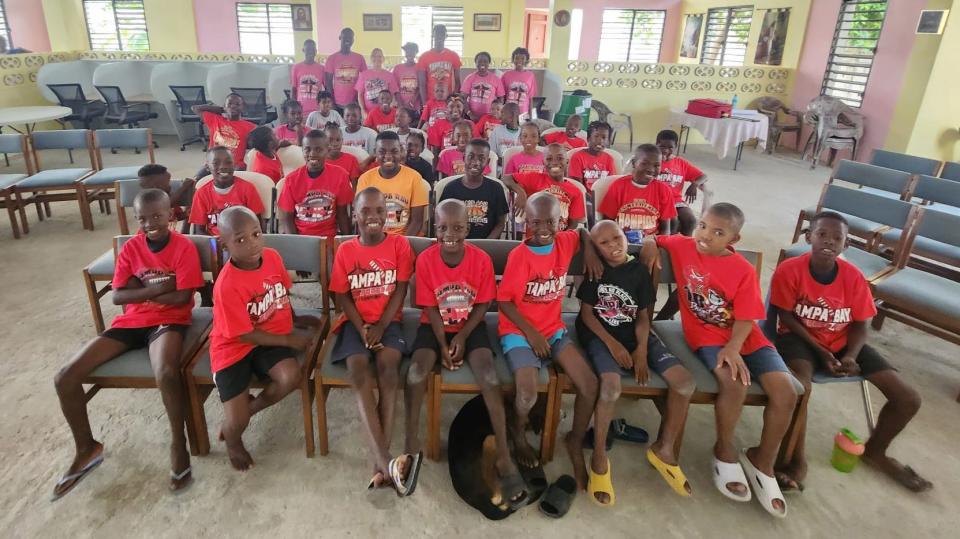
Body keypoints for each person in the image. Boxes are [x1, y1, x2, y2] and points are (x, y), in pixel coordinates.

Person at [640, 203, 798, 519]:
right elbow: (656, 238)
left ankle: (762, 460)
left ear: (733, 239)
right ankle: (724, 450)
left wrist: (735, 347)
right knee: (734, 383)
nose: (705, 235)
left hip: (745, 337)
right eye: (702, 225)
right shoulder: (686, 245)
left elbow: (747, 317)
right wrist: (648, 245)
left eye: (717, 232)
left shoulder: (741, 269)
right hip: (707, 336)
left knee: (787, 392)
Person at [51, 189, 202, 499]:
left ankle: (178, 444)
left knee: (167, 373)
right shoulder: (132, 248)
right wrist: (159, 287)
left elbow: (183, 297)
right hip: (131, 322)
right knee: (65, 377)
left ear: (170, 215)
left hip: (170, 320)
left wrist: (141, 286)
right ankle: (87, 448)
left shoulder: (183, 247)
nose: (150, 224)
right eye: (142, 219)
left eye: (157, 216)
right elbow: (117, 296)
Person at [770, 211, 931, 493]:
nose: (829, 242)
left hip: (843, 341)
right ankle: (795, 461)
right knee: (800, 388)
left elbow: (859, 323)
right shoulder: (790, 269)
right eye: (822, 235)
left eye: (837, 238)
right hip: (799, 339)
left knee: (908, 398)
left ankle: (876, 452)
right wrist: (820, 352)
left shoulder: (854, 278)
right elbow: (785, 316)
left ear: (846, 245)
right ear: (809, 237)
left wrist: (851, 356)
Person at [405, 199, 526, 506]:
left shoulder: (481, 259)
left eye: (458, 227)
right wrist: (443, 344)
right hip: (433, 326)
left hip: (470, 326)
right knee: (416, 373)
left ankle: (503, 453)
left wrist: (460, 335)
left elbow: (484, 303)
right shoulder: (427, 260)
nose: (450, 234)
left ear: (467, 229)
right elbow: (430, 307)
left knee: (489, 375)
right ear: (435, 228)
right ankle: (410, 443)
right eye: (443, 227)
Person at [576, 221, 695, 504]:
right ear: (594, 248)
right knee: (610, 387)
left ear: (625, 236)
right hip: (600, 334)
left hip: (636, 334)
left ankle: (664, 449)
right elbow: (588, 316)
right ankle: (600, 455)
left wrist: (641, 349)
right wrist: (613, 344)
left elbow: (643, 318)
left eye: (617, 238)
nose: (614, 245)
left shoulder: (640, 272)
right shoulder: (596, 270)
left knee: (685, 384)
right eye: (603, 243)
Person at [497, 193, 601, 493]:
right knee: (527, 393)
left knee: (589, 384)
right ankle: (517, 432)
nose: (542, 227)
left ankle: (575, 439)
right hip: (520, 330)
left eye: (550, 222)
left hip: (553, 329)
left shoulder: (566, 241)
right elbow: (504, 302)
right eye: (535, 222)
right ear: (525, 222)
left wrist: (589, 248)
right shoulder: (521, 256)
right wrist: (531, 333)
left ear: (561, 222)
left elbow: (581, 231)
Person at [328, 187, 422, 495]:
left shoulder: (399, 245)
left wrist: (381, 325)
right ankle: (385, 460)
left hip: (389, 321)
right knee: (358, 374)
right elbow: (341, 294)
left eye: (379, 211)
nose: (373, 217)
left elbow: (401, 290)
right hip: (355, 323)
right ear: (355, 215)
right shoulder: (346, 251)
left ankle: (379, 465)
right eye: (365, 211)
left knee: (389, 372)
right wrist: (363, 327)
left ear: (388, 215)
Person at [209, 206, 318, 471]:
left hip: (269, 334)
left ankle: (252, 407)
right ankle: (233, 440)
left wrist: (294, 320)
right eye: (240, 240)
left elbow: (281, 292)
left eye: (256, 233)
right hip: (234, 346)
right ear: (224, 244)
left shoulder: (272, 257)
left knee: (291, 376)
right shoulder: (227, 285)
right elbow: (244, 333)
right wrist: (289, 341)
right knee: (236, 422)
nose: (252, 244)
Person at [277, 129, 353, 238]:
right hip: (301, 237)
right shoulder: (291, 180)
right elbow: (287, 218)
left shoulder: (340, 175)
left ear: (327, 150)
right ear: (302, 150)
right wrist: (295, 244)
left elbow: (342, 214)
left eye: (318, 149)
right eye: (307, 149)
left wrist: (346, 242)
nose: (312, 154)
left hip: (329, 236)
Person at [502, 143, 586, 233]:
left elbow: (573, 225)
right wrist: (521, 192)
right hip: (535, 238)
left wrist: (562, 240)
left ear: (567, 162)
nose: (554, 162)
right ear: (543, 162)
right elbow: (506, 178)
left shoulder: (576, 191)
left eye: (560, 158)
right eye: (549, 159)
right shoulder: (534, 178)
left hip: (559, 239)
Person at [356, 131, 428, 236]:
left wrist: (400, 245)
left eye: (394, 151)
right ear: (375, 153)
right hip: (374, 239)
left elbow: (416, 222)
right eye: (382, 151)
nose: (388, 156)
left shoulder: (415, 178)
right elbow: (361, 219)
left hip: (405, 240)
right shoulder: (365, 179)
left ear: (401, 151)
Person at [598, 144, 677, 239]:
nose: (651, 169)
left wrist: (659, 245)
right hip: (622, 240)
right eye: (644, 163)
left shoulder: (664, 190)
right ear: (634, 163)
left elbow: (665, 229)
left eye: (656, 165)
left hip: (651, 242)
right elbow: (607, 222)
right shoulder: (618, 186)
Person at [438, 139, 508, 240]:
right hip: (457, 244)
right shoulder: (450, 188)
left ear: (487, 162)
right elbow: (442, 221)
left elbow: (500, 223)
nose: (475, 162)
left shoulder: (496, 189)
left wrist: (487, 243)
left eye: (481, 158)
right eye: (470, 157)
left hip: (486, 245)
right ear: (463, 158)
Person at [188, 147, 265, 236]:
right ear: (207, 167)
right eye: (216, 163)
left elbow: (258, 223)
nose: (223, 166)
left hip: (244, 241)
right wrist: (214, 246)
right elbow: (199, 230)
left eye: (228, 162)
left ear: (234, 164)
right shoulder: (202, 194)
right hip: (215, 244)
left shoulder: (248, 189)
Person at [656, 130, 711, 236]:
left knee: (690, 220)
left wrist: (694, 184)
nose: (666, 150)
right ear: (656, 144)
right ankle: (668, 246)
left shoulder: (680, 163)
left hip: (676, 200)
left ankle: (685, 245)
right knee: (673, 221)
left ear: (676, 147)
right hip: (658, 200)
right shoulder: (653, 161)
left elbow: (704, 176)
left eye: (670, 147)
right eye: (662, 147)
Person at [192, 93, 256, 170]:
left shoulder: (250, 127)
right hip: (213, 163)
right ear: (224, 106)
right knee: (196, 180)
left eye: (237, 104)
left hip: (235, 165)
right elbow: (195, 108)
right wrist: (222, 109)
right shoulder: (215, 120)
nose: (233, 106)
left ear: (243, 108)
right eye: (230, 104)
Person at [138, 164, 193, 233]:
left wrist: (186, 213)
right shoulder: (146, 202)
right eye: (168, 182)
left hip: (167, 235)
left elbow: (177, 217)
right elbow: (166, 204)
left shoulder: (168, 195)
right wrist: (183, 187)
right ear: (156, 187)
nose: (170, 186)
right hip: (150, 237)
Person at [417, 25, 462, 107]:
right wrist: (425, 104)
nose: (439, 36)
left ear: (446, 36)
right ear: (433, 35)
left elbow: (457, 81)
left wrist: (453, 98)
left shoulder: (453, 55)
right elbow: (422, 83)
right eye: (437, 33)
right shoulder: (423, 57)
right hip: (430, 101)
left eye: (442, 34)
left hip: (448, 100)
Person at [324, 28, 367, 111]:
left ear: (353, 40)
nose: (348, 40)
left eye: (350, 38)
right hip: (337, 104)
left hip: (354, 104)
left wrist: (359, 99)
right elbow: (328, 83)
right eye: (345, 37)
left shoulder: (359, 58)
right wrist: (332, 103)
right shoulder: (332, 58)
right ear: (340, 37)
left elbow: (365, 80)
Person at [569, 121, 616, 191]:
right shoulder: (577, 157)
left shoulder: (609, 159)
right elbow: (578, 186)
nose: (600, 141)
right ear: (588, 138)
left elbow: (611, 184)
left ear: (608, 142)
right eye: (596, 136)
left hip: (603, 196)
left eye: (604, 137)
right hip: (585, 197)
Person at [461, 51, 505, 122]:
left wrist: (496, 113)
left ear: (489, 63)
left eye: (485, 61)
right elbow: (463, 98)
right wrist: (470, 114)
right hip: (472, 117)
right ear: (476, 63)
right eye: (479, 61)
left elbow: (501, 98)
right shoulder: (469, 78)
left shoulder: (496, 79)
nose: (482, 63)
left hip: (490, 117)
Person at [355, 48, 399, 116]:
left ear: (383, 58)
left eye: (379, 56)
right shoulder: (364, 75)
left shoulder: (389, 75)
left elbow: (392, 96)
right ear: (371, 58)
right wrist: (363, 110)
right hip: (368, 113)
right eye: (374, 56)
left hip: (384, 113)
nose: (377, 58)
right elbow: (360, 95)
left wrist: (389, 110)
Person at [501, 47, 538, 121]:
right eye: (516, 58)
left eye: (522, 58)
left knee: (522, 132)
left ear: (526, 60)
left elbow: (530, 98)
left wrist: (531, 116)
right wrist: (501, 113)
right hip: (508, 112)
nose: (519, 61)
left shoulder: (530, 75)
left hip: (523, 114)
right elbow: (502, 97)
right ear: (512, 60)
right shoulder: (506, 75)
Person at [290, 39, 325, 115]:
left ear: (315, 51)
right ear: (303, 50)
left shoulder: (321, 68)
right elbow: (294, 89)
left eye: (313, 49)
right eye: (308, 49)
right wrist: (293, 107)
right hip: (301, 110)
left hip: (317, 110)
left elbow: (326, 89)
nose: (310, 52)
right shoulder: (296, 67)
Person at [394, 42, 423, 118]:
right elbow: (395, 88)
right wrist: (401, 104)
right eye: (407, 51)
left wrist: (412, 101)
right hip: (401, 107)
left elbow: (421, 86)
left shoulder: (419, 67)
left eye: (412, 51)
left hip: (415, 107)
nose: (409, 53)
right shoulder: (398, 68)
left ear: (416, 53)